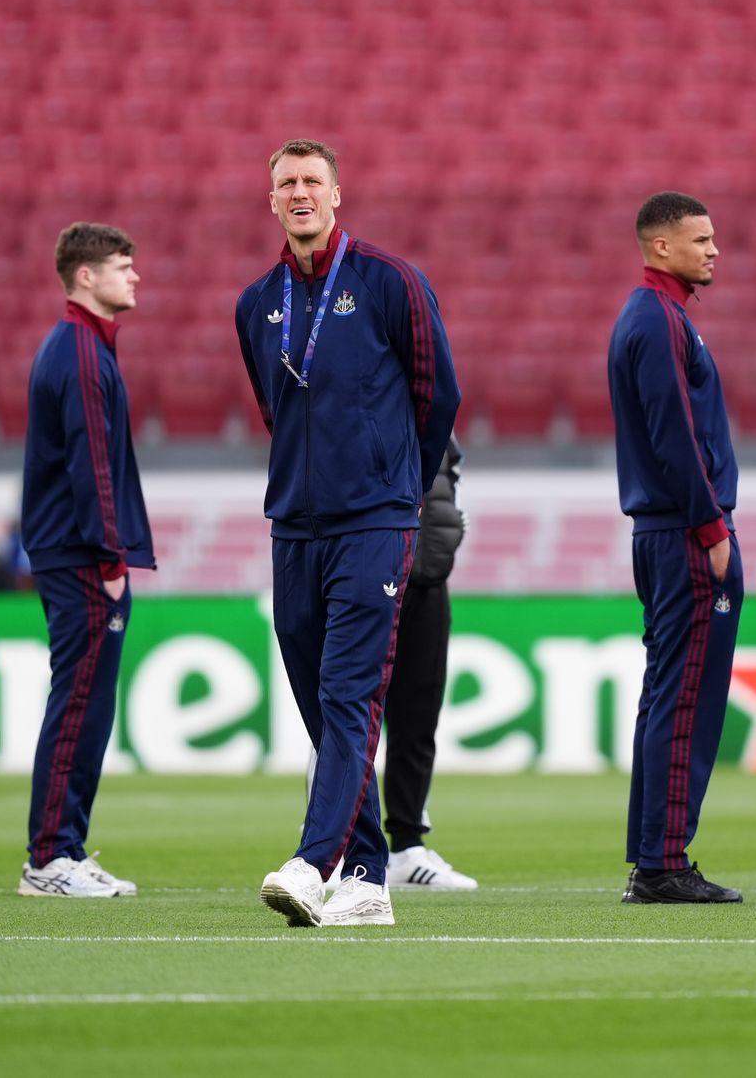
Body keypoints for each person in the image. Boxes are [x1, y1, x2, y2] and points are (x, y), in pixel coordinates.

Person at [237, 138, 460, 928]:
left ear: (338, 195)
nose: (300, 193)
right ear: (272, 201)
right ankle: (367, 878)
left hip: (375, 521)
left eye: (312, 182)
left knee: (349, 693)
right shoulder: (255, 301)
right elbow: (276, 408)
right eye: (286, 183)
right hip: (294, 523)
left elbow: (440, 394)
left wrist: (397, 482)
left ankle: (311, 859)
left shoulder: (389, 280)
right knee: (319, 704)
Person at [607, 191, 743, 905]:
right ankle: (663, 860)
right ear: (661, 246)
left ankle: (652, 854)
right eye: (702, 237)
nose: (714, 248)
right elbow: (674, 436)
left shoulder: (658, 316)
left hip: (667, 531)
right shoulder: (659, 321)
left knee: (666, 694)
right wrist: (713, 528)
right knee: (686, 697)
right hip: (686, 533)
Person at [16, 223, 154, 899]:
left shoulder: (85, 347)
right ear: (85, 276)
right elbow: (91, 463)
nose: (135, 277)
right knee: (77, 704)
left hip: (76, 551)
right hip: (81, 556)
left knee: (89, 705)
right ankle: (47, 858)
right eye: (122, 267)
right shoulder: (78, 351)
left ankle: (65, 844)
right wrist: (110, 554)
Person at [379, 436, 478, 890]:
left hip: (429, 577)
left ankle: (406, 847)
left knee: (418, 718)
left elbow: (449, 473)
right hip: (369, 572)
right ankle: (329, 846)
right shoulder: (365, 397)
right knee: (343, 714)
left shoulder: (437, 409)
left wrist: (449, 527)